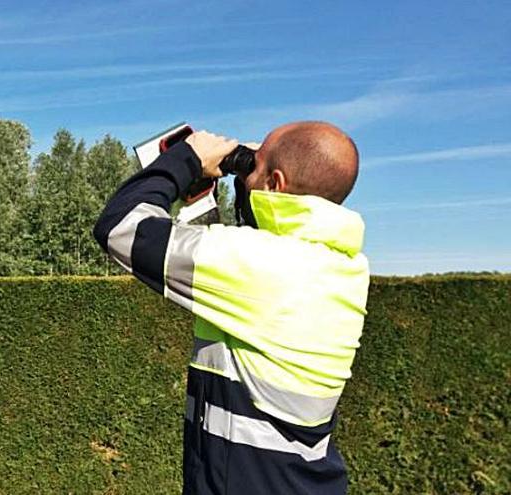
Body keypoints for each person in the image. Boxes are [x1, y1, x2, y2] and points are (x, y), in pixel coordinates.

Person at [92, 121, 369, 495]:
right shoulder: (344, 266)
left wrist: (186, 159)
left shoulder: (260, 265)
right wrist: (245, 184)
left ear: (275, 184)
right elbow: (227, 265)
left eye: (254, 165)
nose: (245, 168)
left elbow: (120, 227)